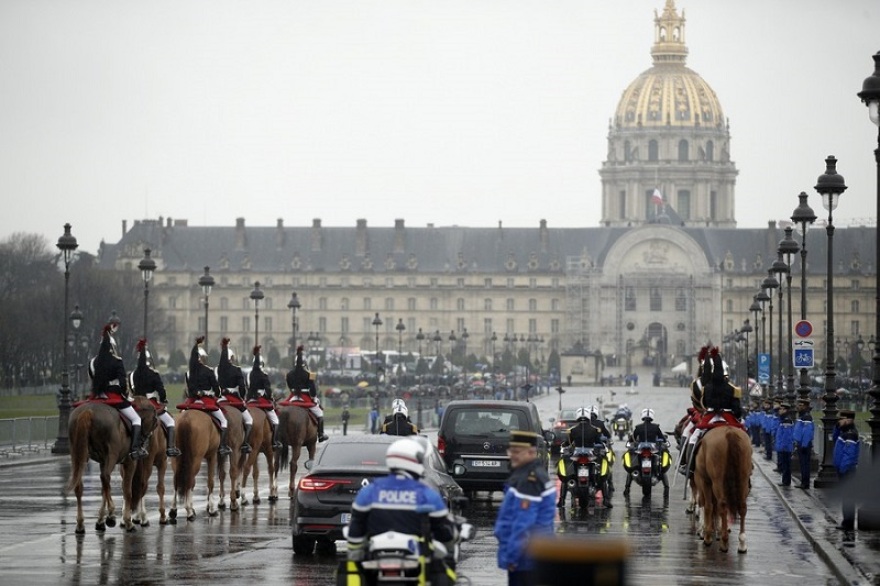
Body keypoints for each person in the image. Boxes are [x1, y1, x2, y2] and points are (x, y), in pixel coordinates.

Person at [347, 438, 457, 584]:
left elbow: (356, 526)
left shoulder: (370, 490)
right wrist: (449, 543)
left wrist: (355, 552)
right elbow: (442, 529)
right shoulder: (426, 493)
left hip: (375, 555)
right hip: (416, 557)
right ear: (413, 462)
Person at [494, 430, 556, 586]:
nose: (512, 455)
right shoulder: (529, 474)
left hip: (526, 557)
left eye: (517, 452)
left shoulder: (529, 480)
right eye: (511, 451)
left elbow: (524, 524)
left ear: (531, 452)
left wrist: (513, 557)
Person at [90, 321, 149, 460]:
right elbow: (123, 383)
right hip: (114, 397)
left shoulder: (93, 362)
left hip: (97, 397)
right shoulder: (117, 361)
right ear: (113, 347)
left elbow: (93, 378)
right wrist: (125, 395)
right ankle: (135, 449)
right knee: (136, 420)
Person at [129, 338, 180, 457]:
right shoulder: (153, 374)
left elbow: (132, 389)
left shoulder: (132, 374)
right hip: (151, 403)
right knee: (170, 422)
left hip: (136, 403)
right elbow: (161, 391)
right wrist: (163, 400)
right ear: (149, 360)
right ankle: (170, 448)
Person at [185, 336, 232, 456]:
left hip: (192, 401)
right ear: (203, 359)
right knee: (223, 421)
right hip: (207, 401)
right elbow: (216, 389)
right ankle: (222, 446)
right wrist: (217, 393)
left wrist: (196, 345)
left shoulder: (189, 372)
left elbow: (190, 389)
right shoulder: (209, 371)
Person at [556, 407, 606, 508]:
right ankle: (606, 499)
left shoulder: (572, 430)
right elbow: (599, 442)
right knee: (601, 476)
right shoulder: (595, 429)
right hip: (590, 455)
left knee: (567, 477)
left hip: (576, 455)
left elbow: (568, 443)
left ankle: (562, 500)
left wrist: (563, 446)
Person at [280, 345, 328, 442]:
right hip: (305, 397)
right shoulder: (309, 374)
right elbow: (313, 391)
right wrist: (314, 398)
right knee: (320, 414)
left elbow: (289, 386)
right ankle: (321, 434)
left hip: (293, 397)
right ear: (305, 363)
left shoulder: (289, 374)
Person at [216, 338, 252, 455]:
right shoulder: (237, 370)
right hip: (233, 398)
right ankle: (245, 443)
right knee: (249, 420)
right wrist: (242, 396)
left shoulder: (219, 370)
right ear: (231, 358)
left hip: (221, 398)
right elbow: (242, 387)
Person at [625, 408, 670, 497]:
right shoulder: (656, 427)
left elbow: (631, 439)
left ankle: (627, 488)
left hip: (641, 450)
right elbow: (663, 439)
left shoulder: (638, 427)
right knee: (661, 471)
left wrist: (631, 443)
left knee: (632, 469)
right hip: (652, 450)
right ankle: (666, 488)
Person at [247, 345, 284, 448]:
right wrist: (270, 397)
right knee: (275, 421)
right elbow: (267, 390)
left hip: (251, 399)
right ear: (262, 364)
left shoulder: (249, 374)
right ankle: (274, 442)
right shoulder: (264, 375)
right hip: (262, 399)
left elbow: (249, 387)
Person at [832, 409, 861, 531]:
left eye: (841, 419)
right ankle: (846, 521)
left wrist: (842, 469)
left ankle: (848, 523)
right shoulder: (844, 431)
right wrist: (837, 427)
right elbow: (833, 439)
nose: (839, 421)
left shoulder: (851, 434)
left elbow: (849, 455)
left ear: (849, 420)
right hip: (842, 469)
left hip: (847, 471)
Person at [792, 398, 814, 489]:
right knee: (802, 463)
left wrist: (804, 444)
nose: (798, 407)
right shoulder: (802, 416)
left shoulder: (806, 417)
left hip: (804, 444)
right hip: (800, 443)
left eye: (800, 405)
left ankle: (805, 483)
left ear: (805, 406)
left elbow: (807, 432)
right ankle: (803, 482)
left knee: (805, 464)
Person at [774, 402, 794, 487]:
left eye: (781, 409)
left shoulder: (786, 420)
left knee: (786, 464)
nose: (779, 411)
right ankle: (785, 480)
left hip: (785, 446)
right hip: (783, 446)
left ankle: (786, 481)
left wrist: (783, 446)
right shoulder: (783, 419)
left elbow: (786, 436)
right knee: (785, 464)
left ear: (785, 410)